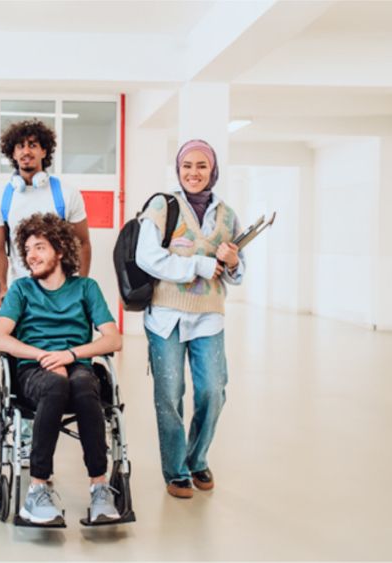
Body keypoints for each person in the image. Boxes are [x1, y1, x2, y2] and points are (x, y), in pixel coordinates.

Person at [0, 213, 122, 526]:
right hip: (33, 372)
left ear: (60, 251)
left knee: (84, 386)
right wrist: (45, 356)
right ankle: (37, 488)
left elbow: (113, 339)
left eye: (40, 248)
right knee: (56, 385)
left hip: (76, 365)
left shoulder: (86, 288)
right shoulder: (21, 290)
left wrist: (69, 354)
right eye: (28, 251)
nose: (31, 256)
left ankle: (100, 487)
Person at [136, 139, 245, 499]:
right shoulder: (162, 206)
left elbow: (237, 272)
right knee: (169, 394)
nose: (193, 173)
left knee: (213, 391)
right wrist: (197, 265)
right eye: (187, 166)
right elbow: (147, 258)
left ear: (213, 170)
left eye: (201, 166)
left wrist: (231, 262)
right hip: (165, 315)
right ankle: (176, 470)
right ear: (178, 169)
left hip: (209, 316)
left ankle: (197, 458)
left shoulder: (227, 215)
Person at [0, 119, 92, 307]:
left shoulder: (67, 193)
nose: (26, 151)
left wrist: (82, 286)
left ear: (44, 151)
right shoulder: (0, 197)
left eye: (33, 145)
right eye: (20, 146)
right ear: (12, 153)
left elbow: (83, 243)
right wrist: (3, 288)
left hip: (62, 291)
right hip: (21, 292)